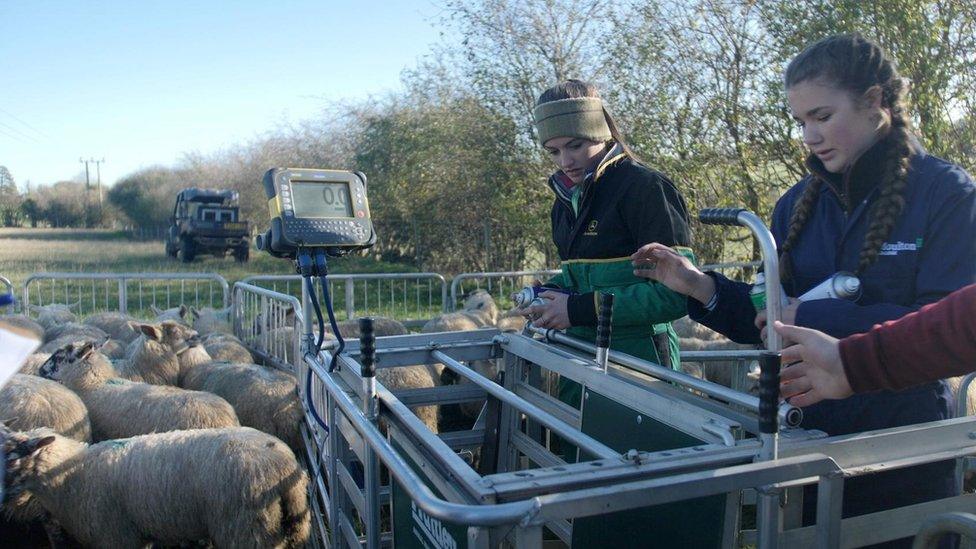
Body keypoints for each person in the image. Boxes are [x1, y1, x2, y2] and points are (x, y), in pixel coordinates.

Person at [630, 34, 976, 545]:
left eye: (822, 115)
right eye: (800, 122)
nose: (809, 136)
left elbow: (947, 327)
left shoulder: (944, 194)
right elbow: (772, 319)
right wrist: (697, 286)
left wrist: (815, 319)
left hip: (903, 443)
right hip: (808, 437)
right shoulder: (796, 205)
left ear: (875, 101)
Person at [523, 79, 693, 442]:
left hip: (639, 364)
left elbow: (677, 295)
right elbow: (580, 282)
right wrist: (552, 295)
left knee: (633, 471)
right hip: (579, 357)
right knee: (581, 459)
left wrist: (579, 309)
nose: (565, 161)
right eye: (552, 151)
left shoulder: (646, 188)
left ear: (601, 133)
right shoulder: (564, 200)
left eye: (576, 145)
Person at [775, 283, 976, 406]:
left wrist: (849, 362)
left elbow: (952, 324)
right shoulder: (789, 214)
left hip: (907, 425)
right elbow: (953, 326)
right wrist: (848, 363)